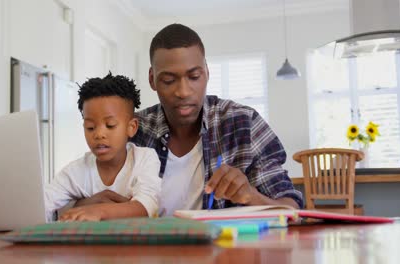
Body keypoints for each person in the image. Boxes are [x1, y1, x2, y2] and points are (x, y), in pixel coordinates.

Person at [129, 23, 303, 216]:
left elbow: (291, 208)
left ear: (207, 73)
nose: (183, 92)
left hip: (225, 246)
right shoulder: (133, 130)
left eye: (194, 76)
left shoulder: (244, 124)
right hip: (148, 245)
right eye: (169, 80)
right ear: (152, 79)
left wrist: (251, 196)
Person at [45, 72, 161, 221]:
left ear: (131, 127)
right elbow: (44, 203)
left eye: (110, 125)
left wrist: (98, 211)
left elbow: (148, 205)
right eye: (90, 127)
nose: (99, 134)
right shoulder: (76, 171)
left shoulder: (145, 159)